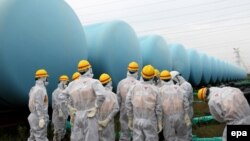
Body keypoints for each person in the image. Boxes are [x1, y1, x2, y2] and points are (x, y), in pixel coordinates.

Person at [62, 60, 106, 141]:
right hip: (90, 115)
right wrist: (96, 107)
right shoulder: (94, 82)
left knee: (77, 138)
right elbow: (102, 95)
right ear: (89, 69)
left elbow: (62, 97)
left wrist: (70, 108)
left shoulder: (72, 84)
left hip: (77, 115)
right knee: (91, 138)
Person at [126, 65, 162, 141]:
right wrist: (159, 122)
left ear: (142, 74)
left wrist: (130, 118)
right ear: (152, 77)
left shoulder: (133, 87)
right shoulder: (156, 90)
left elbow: (128, 103)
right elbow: (158, 108)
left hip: (136, 120)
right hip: (151, 121)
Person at [159, 70, 190, 141]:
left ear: (161, 79)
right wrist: (186, 115)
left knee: (169, 137)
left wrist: (159, 120)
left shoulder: (159, 91)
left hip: (167, 118)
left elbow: (158, 107)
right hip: (180, 116)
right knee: (183, 136)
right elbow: (186, 103)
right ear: (170, 78)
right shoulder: (179, 88)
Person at [117, 61, 139, 141]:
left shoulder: (121, 83)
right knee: (136, 133)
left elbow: (118, 99)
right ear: (137, 71)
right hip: (135, 111)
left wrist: (119, 110)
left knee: (124, 132)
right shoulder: (138, 84)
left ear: (128, 70)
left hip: (123, 110)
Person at [170, 71, 193, 140]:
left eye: (173, 80)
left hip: (186, 111)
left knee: (186, 130)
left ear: (176, 78)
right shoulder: (181, 85)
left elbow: (183, 99)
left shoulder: (186, 85)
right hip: (181, 111)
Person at [28, 69, 49, 141]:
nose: (47, 79)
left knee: (33, 136)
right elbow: (38, 105)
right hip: (38, 118)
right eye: (46, 77)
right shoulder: (40, 90)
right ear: (42, 78)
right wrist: (41, 118)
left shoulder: (34, 88)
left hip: (34, 116)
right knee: (40, 137)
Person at [98, 73, 119, 141]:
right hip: (108, 123)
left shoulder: (96, 94)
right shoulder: (113, 95)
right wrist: (107, 120)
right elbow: (116, 108)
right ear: (109, 82)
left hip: (97, 122)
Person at [52, 75, 70, 141]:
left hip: (65, 115)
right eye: (66, 82)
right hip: (58, 116)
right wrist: (59, 110)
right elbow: (55, 103)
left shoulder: (66, 92)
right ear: (62, 82)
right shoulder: (56, 92)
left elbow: (68, 102)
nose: (67, 84)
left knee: (63, 131)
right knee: (57, 132)